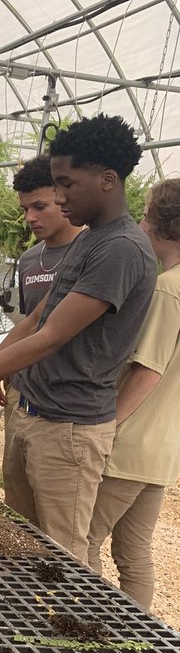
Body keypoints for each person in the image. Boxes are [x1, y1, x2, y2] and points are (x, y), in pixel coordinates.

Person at [0, 113, 157, 562]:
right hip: (33, 412)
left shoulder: (122, 249)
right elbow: (37, 316)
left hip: (69, 428)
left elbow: (53, 335)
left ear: (108, 180)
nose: (57, 197)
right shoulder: (89, 240)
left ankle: (67, 632)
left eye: (66, 184)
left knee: (63, 557)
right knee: (20, 541)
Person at [87, 180, 180, 609]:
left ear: (163, 226)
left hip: (129, 444)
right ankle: (135, 647)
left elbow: (148, 370)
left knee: (84, 537)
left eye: (145, 215)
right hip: (163, 448)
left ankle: (82, 630)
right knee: (134, 553)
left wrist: (109, 424)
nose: (140, 223)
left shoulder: (167, 289)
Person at [0, 157, 83, 430]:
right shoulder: (29, 259)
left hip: (66, 405)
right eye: (25, 209)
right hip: (22, 393)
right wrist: (1, 365)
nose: (29, 218)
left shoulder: (89, 254)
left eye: (40, 206)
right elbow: (28, 321)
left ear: (62, 196)